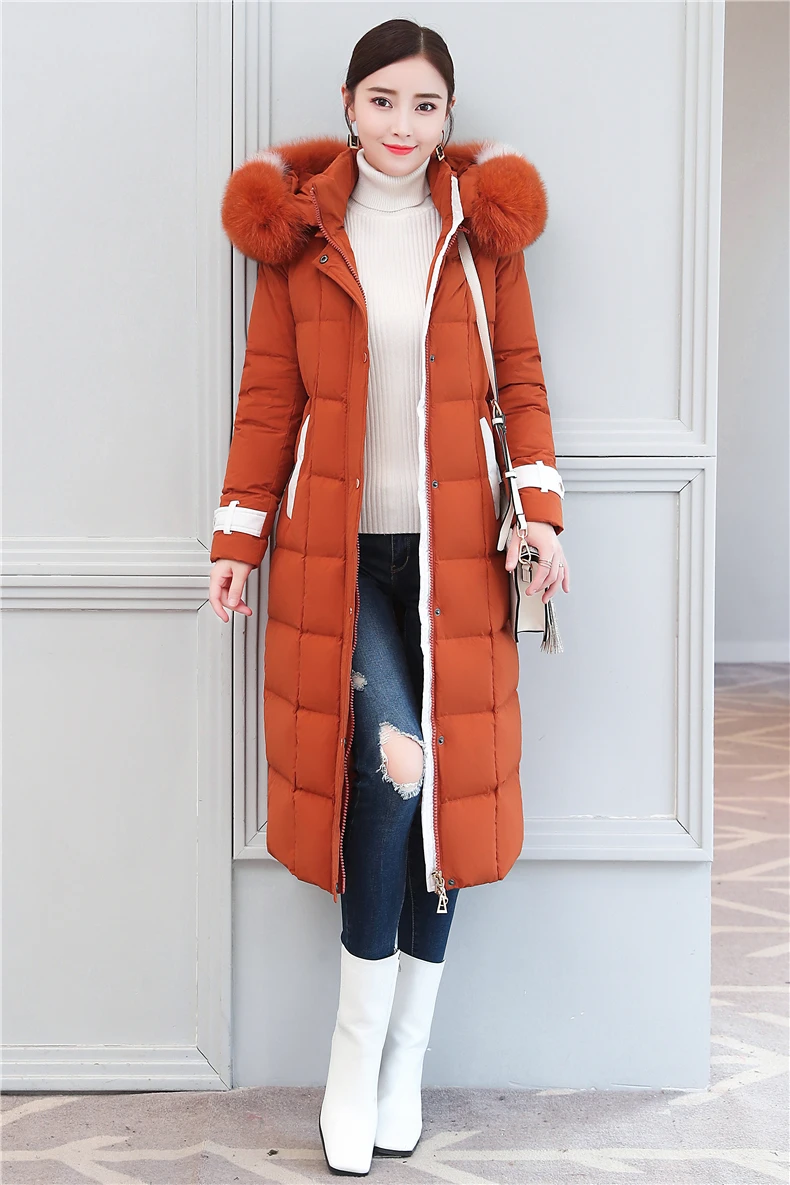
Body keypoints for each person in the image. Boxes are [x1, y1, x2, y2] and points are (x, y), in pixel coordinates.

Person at [208, 17, 570, 1176]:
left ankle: (405, 1058)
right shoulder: (304, 238)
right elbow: (271, 398)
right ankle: (351, 1059)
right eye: (382, 100)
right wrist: (238, 533)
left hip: (458, 561)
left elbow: (520, 381)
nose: (402, 125)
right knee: (392, 775)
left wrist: (542, 514)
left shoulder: (479, 235)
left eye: (423, 104)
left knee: (444, 796)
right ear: (349, 104)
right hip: (341, 561)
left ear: (446, 115)